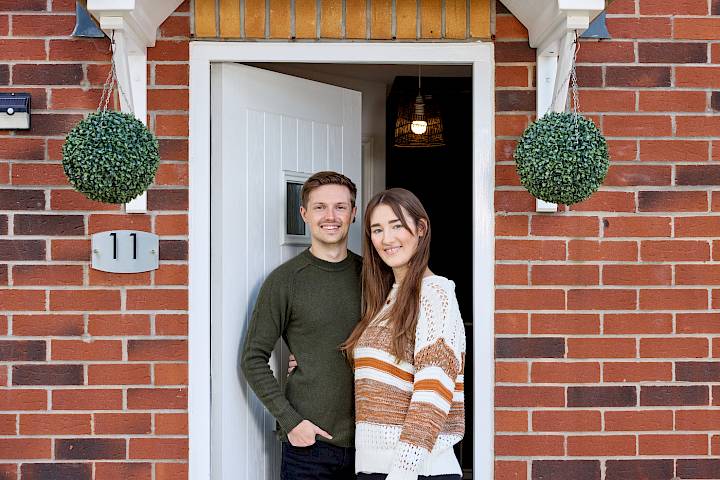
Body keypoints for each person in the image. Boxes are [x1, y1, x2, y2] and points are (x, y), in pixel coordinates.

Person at [241, 171, 362, 479]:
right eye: (320, 207)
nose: (331, 216)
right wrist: (291, 421)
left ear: (354, 213)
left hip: (372, 446)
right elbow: (253, 359)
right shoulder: (285, 281)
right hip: (309, 449)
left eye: (340, 207)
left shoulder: (375, 276)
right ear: (304, 214)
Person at [342, 188, 466, 480]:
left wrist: (403, 471)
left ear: (421, 229)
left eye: (397, 225)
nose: (387, 239)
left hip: (415, 471)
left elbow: (433, 390)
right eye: (377, 229)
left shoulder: (436, 294)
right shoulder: (389, 299)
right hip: (378, 469)